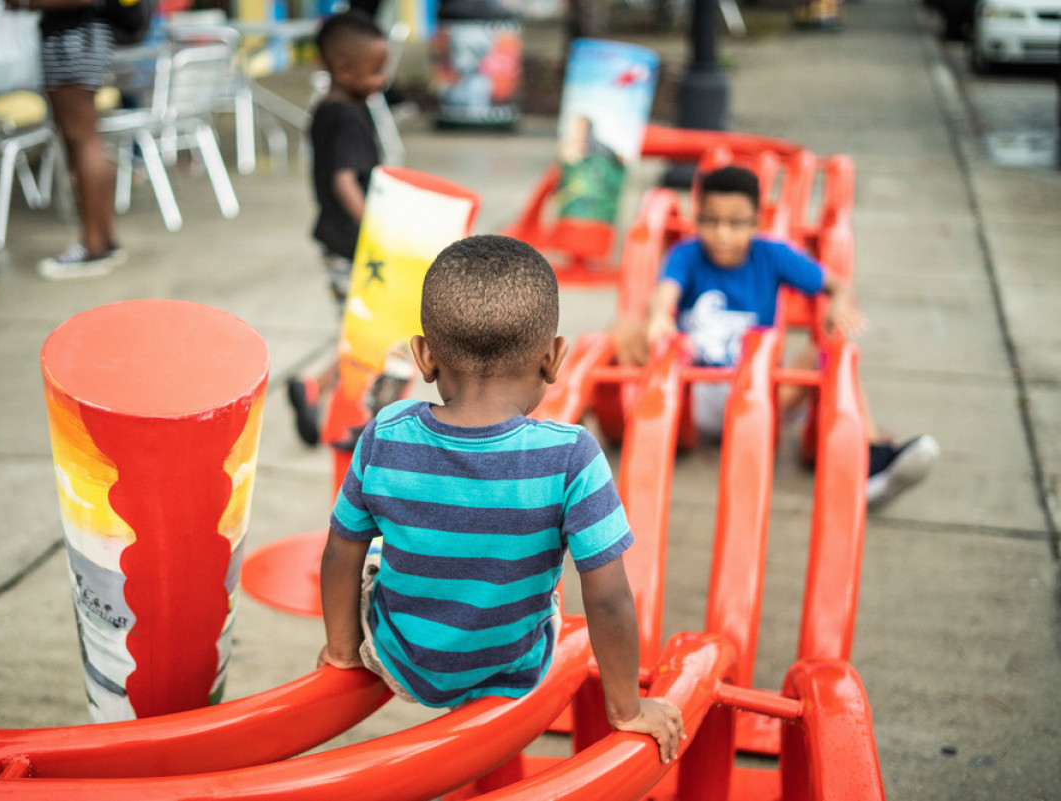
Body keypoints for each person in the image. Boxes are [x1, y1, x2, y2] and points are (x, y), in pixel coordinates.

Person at [318, 235, 686, 761]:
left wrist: (341, 652)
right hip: (511, 664)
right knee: (550, 584)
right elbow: (608, 597)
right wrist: (626, 708)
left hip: (402, 657)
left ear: (424, 356)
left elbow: (339, 550)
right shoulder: (572, 456)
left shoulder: (385, 433)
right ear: (554, 357)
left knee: (375, 548)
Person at [614, 165, 939, 508]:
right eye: (711, 221)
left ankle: (872, 460)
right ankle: (565, 435)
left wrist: (838, 306)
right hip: (695, 393)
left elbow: (837, 285)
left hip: (761, 395)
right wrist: (659, 316)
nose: (722, 234)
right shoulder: (687, 254)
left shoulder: (770, 254)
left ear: (756, 222)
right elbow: (665, 292)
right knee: (622, 329)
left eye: (736, 223)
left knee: (833, 349)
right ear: (698, 220)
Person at [287, 10, 388, 445]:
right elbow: (344, 180)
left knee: (365, 333)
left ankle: (316, 390)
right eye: (376, 70)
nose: (384, 79)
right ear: (344, 68)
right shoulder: (347, 118)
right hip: (353, 246)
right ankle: (352, 417)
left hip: (339, 242)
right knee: (371, 335)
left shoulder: (331, 109)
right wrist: (376, 233)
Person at [11, 0, 124, 279]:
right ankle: (105, 239)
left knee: (82, 141)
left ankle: (92, 246)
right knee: (88, 140)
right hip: (85, 38)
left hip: (71, 41)